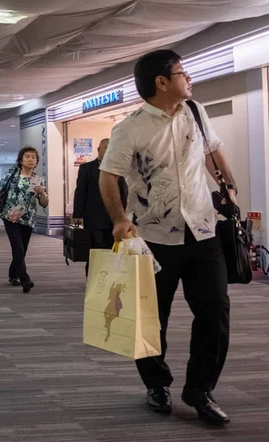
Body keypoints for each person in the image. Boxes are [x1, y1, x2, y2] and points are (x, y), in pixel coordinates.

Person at [99, 49, 236, 424]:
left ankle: (200, 390)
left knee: (215, 312)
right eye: (182, 72)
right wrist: (118, 218)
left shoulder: (195, 111)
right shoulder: (129, 129)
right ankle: (156, 383)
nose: (189, 78)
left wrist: (230, 188)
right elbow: (108, 177)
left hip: (203, 231)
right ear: (162, 82)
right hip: (154, 237)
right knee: (149, 318)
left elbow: (213, 152)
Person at [0, 146, 49, 293]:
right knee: (18, 248)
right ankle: (25, 279)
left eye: (33, 157)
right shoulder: (12, 174)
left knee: (22, 250)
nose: (31, 159)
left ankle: (13, 274)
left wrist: (42, 193)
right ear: (21, 160)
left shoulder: (37, 180)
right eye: (27, 157)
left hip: (28, 218)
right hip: (11, 216)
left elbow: (44, 204)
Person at [73, 138, 128, 275]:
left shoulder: (119, 169)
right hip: (94, 218)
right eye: (105, 148)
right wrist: (77, 214)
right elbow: (80, 191)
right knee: (96, 250)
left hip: (114, 218)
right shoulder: (87, 168)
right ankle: (92, 279)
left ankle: (109, 279)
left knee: (113, 249)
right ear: (98, 149)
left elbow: (124, 193)